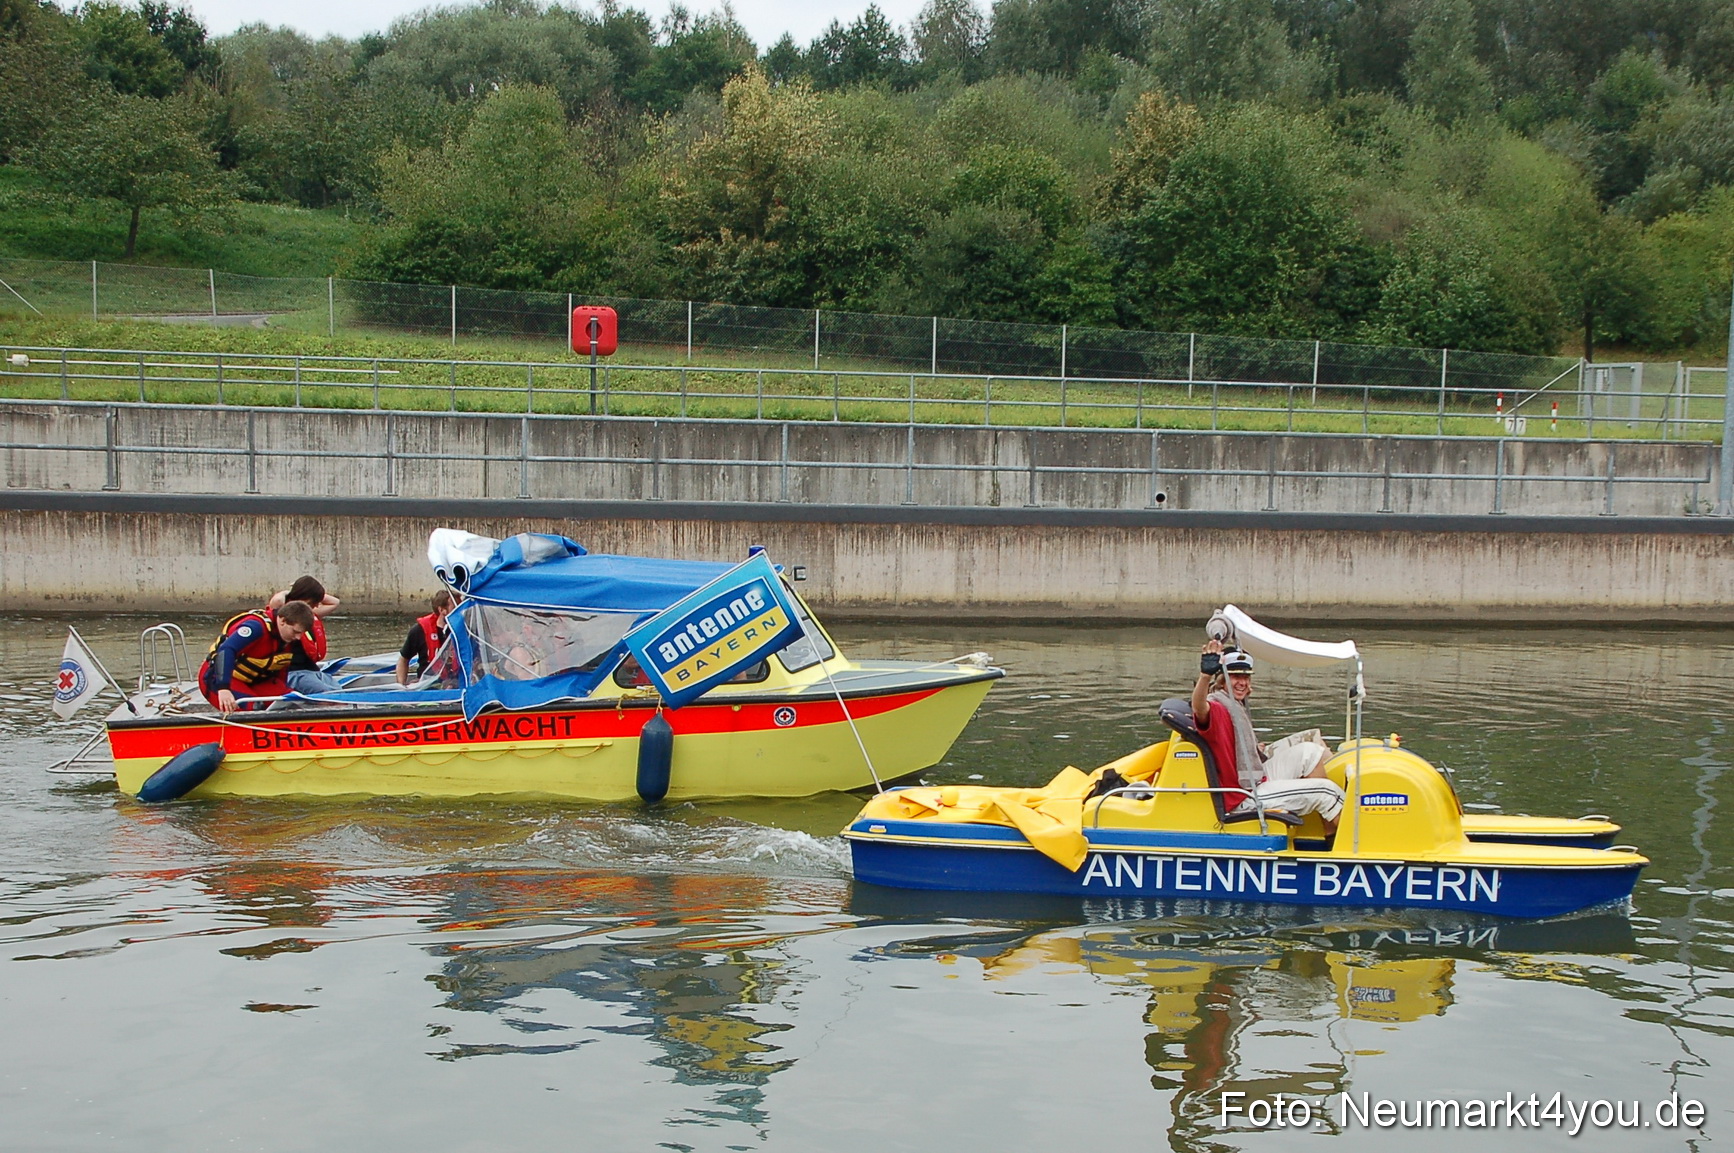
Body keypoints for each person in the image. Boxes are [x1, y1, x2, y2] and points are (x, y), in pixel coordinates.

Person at [1190, 639, 1345, 832]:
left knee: (1311, 752)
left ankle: (1327, 832)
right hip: (1242, 795)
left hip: (1254, 777)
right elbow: (1199, 707)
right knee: (1327, 791)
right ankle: (1347, 841)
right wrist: (1205, 676)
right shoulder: (1217, 706)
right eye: (1235, 677)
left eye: (1246, 677)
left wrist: (1253, 749)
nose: (1242, 683)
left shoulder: (1233, 704)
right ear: (1222, 680)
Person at [198, 601, 316, 713]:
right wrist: (224, 688)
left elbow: (281, 669)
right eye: (295, 632)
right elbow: (226, 650)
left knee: (291, 702)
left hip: (256, 680)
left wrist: (282, 690)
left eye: (301, 633)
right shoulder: (256, 628)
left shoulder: (289, 639)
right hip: (219, 678)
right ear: (283, 621)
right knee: (254, 707)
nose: (298, 637)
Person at [268, 575, 341, 696]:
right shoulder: (285, 612)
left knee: (340, 692)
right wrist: (290, 592)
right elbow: (277, 601)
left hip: (312, 671)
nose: (316, 606)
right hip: (294, 673)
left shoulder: (309, 614)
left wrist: (315, 595)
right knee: (328, 695)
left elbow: (334, 602)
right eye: (313, 602)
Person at [396, 590, 457, 686]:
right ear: (442, 610)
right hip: (428, 684)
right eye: (455, 608)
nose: (460, 612)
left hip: (456, 682)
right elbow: (404, 659)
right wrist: (402, 685)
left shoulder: (466, 630)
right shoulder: (419, 631)